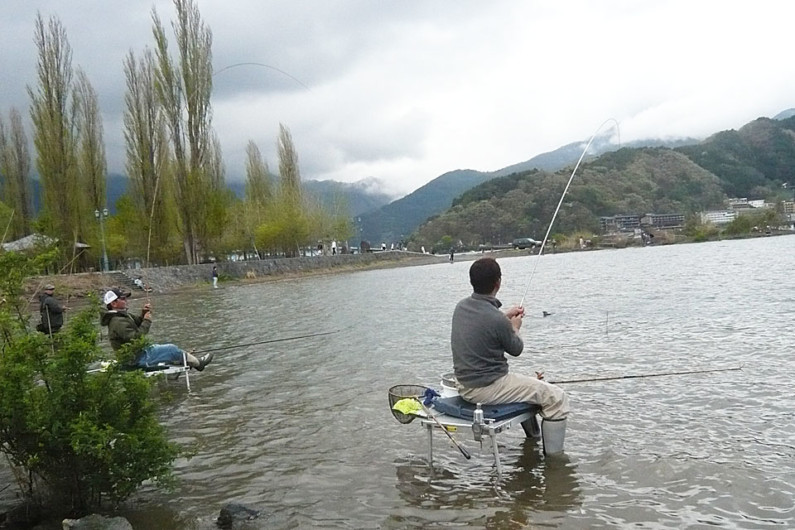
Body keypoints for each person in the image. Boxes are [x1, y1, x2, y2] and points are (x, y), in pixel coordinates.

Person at [450, 257, 569, 453]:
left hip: (464, 385)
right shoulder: (496, 319)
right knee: (557, 398)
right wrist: (514, 327)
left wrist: (505, 316)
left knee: (529, 385)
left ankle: (534, 442)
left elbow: (485, 324)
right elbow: (516, 349)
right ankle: (554, 462)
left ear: (472, 281)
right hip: (485, 389)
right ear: (498, 283)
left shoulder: (461, 307)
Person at [100, 288, 214, 371]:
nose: (126, 300)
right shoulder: (117, 321)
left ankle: (186, 359)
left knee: (165, 348)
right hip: (135, 359)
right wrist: (147, 321)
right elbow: (136, 338)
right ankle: (199, 364)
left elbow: (137, 323)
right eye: (123, 298)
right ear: (114, 303)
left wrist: (144, 314)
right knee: (171, 349)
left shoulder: (121, 315)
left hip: (138, 353)